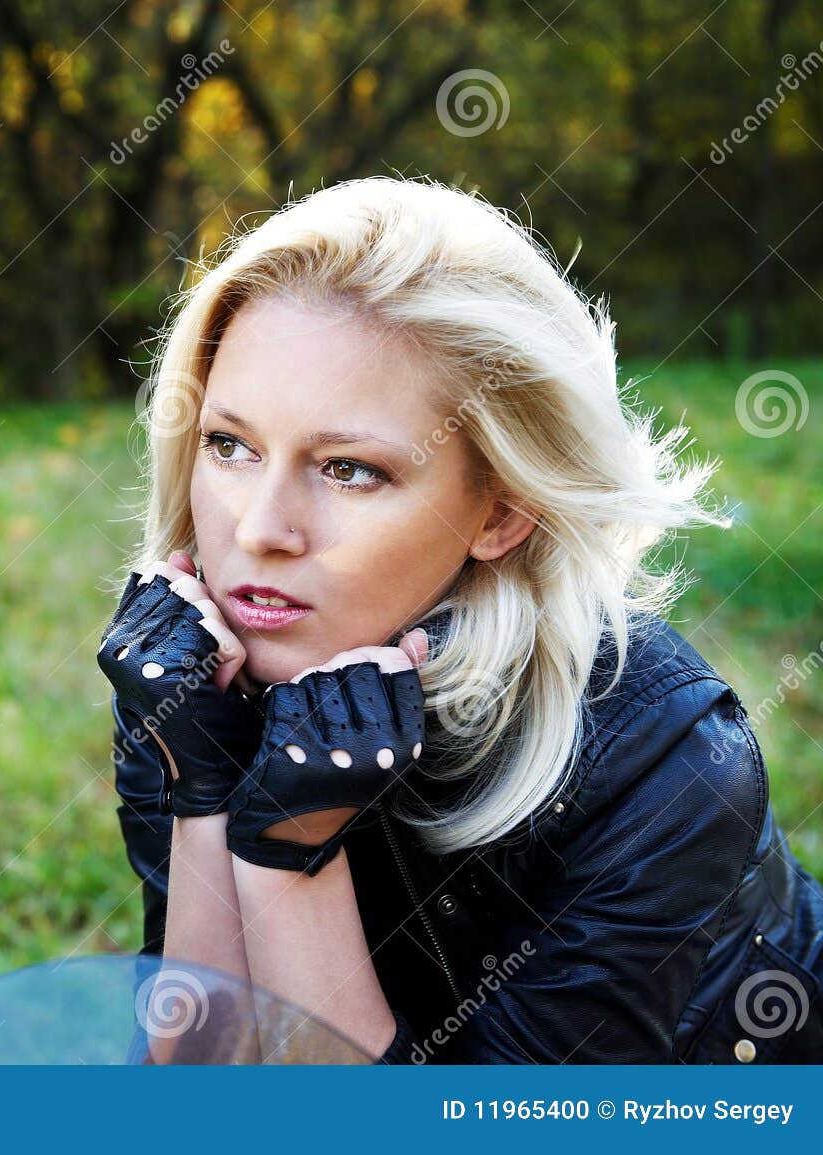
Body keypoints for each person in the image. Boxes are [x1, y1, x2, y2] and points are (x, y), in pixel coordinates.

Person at [97, 176, 823, 1064]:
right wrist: (206, 796)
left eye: (348, 469)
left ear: (502, 513)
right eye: (231, 445)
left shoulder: (663, 764)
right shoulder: (187, 678)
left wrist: (292, 853)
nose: (258, 530)